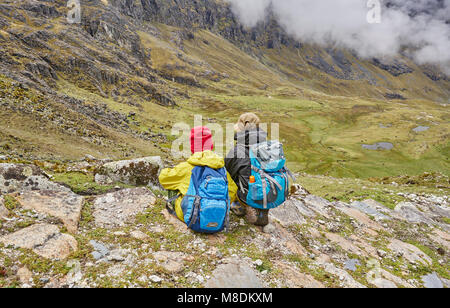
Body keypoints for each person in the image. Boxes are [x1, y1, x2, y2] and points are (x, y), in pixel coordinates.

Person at [159, 126, 238, 223]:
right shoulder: (221, 168)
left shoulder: (187, 167)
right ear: (211, 146)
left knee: (174, 186)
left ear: (192, 147)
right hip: (218, 218)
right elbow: (233, 192)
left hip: (191, 217)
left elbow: (164, 179)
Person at [225, 113, 270, 226]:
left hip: (247, 194)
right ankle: (262, 209)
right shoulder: (266, 147)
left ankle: (241, 205)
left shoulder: (237, 150)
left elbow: (226, 171)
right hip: (267, 192)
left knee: (226, 177)